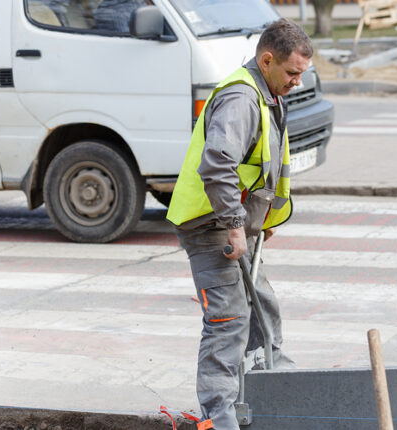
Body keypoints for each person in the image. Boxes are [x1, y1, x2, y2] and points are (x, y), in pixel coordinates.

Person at [166, 18, 311, 430]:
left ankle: (268, 390)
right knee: (227, 322)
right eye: (292, 73)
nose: (297, 82)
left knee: (262, 306)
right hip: (209, 223)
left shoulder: (268, 94)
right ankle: (220, 417)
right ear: (267, 60)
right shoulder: (241, 99)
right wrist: (235, 226)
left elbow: (260, 164)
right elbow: (218, 164)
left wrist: (260, 219)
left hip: (231, 221)